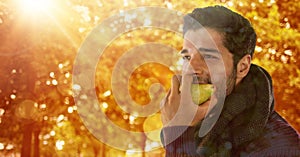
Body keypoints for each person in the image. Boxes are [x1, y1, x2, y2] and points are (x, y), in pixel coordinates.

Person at [160, 5, 300, 157]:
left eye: (208, 56)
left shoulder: (280, 147)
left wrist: (178, 130)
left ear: (242, 67)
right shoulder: (200, 128)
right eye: (187, 57)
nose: (191, 69)